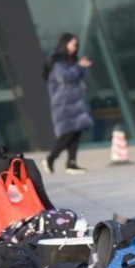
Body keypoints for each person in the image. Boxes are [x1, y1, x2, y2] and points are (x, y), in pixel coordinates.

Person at [41, 32, 93, 175]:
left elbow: (74, 77)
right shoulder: (57, 60)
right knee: (68, 133)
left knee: (76, 131)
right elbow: (64, 77)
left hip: (73, 102)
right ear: (65, 44)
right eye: (73, 44)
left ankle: (71, 163)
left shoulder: (68, 61)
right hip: (64, 104)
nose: (75, 48)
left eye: (76, 45)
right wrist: (79, 66)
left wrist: (82, 67)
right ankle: (51, 158)